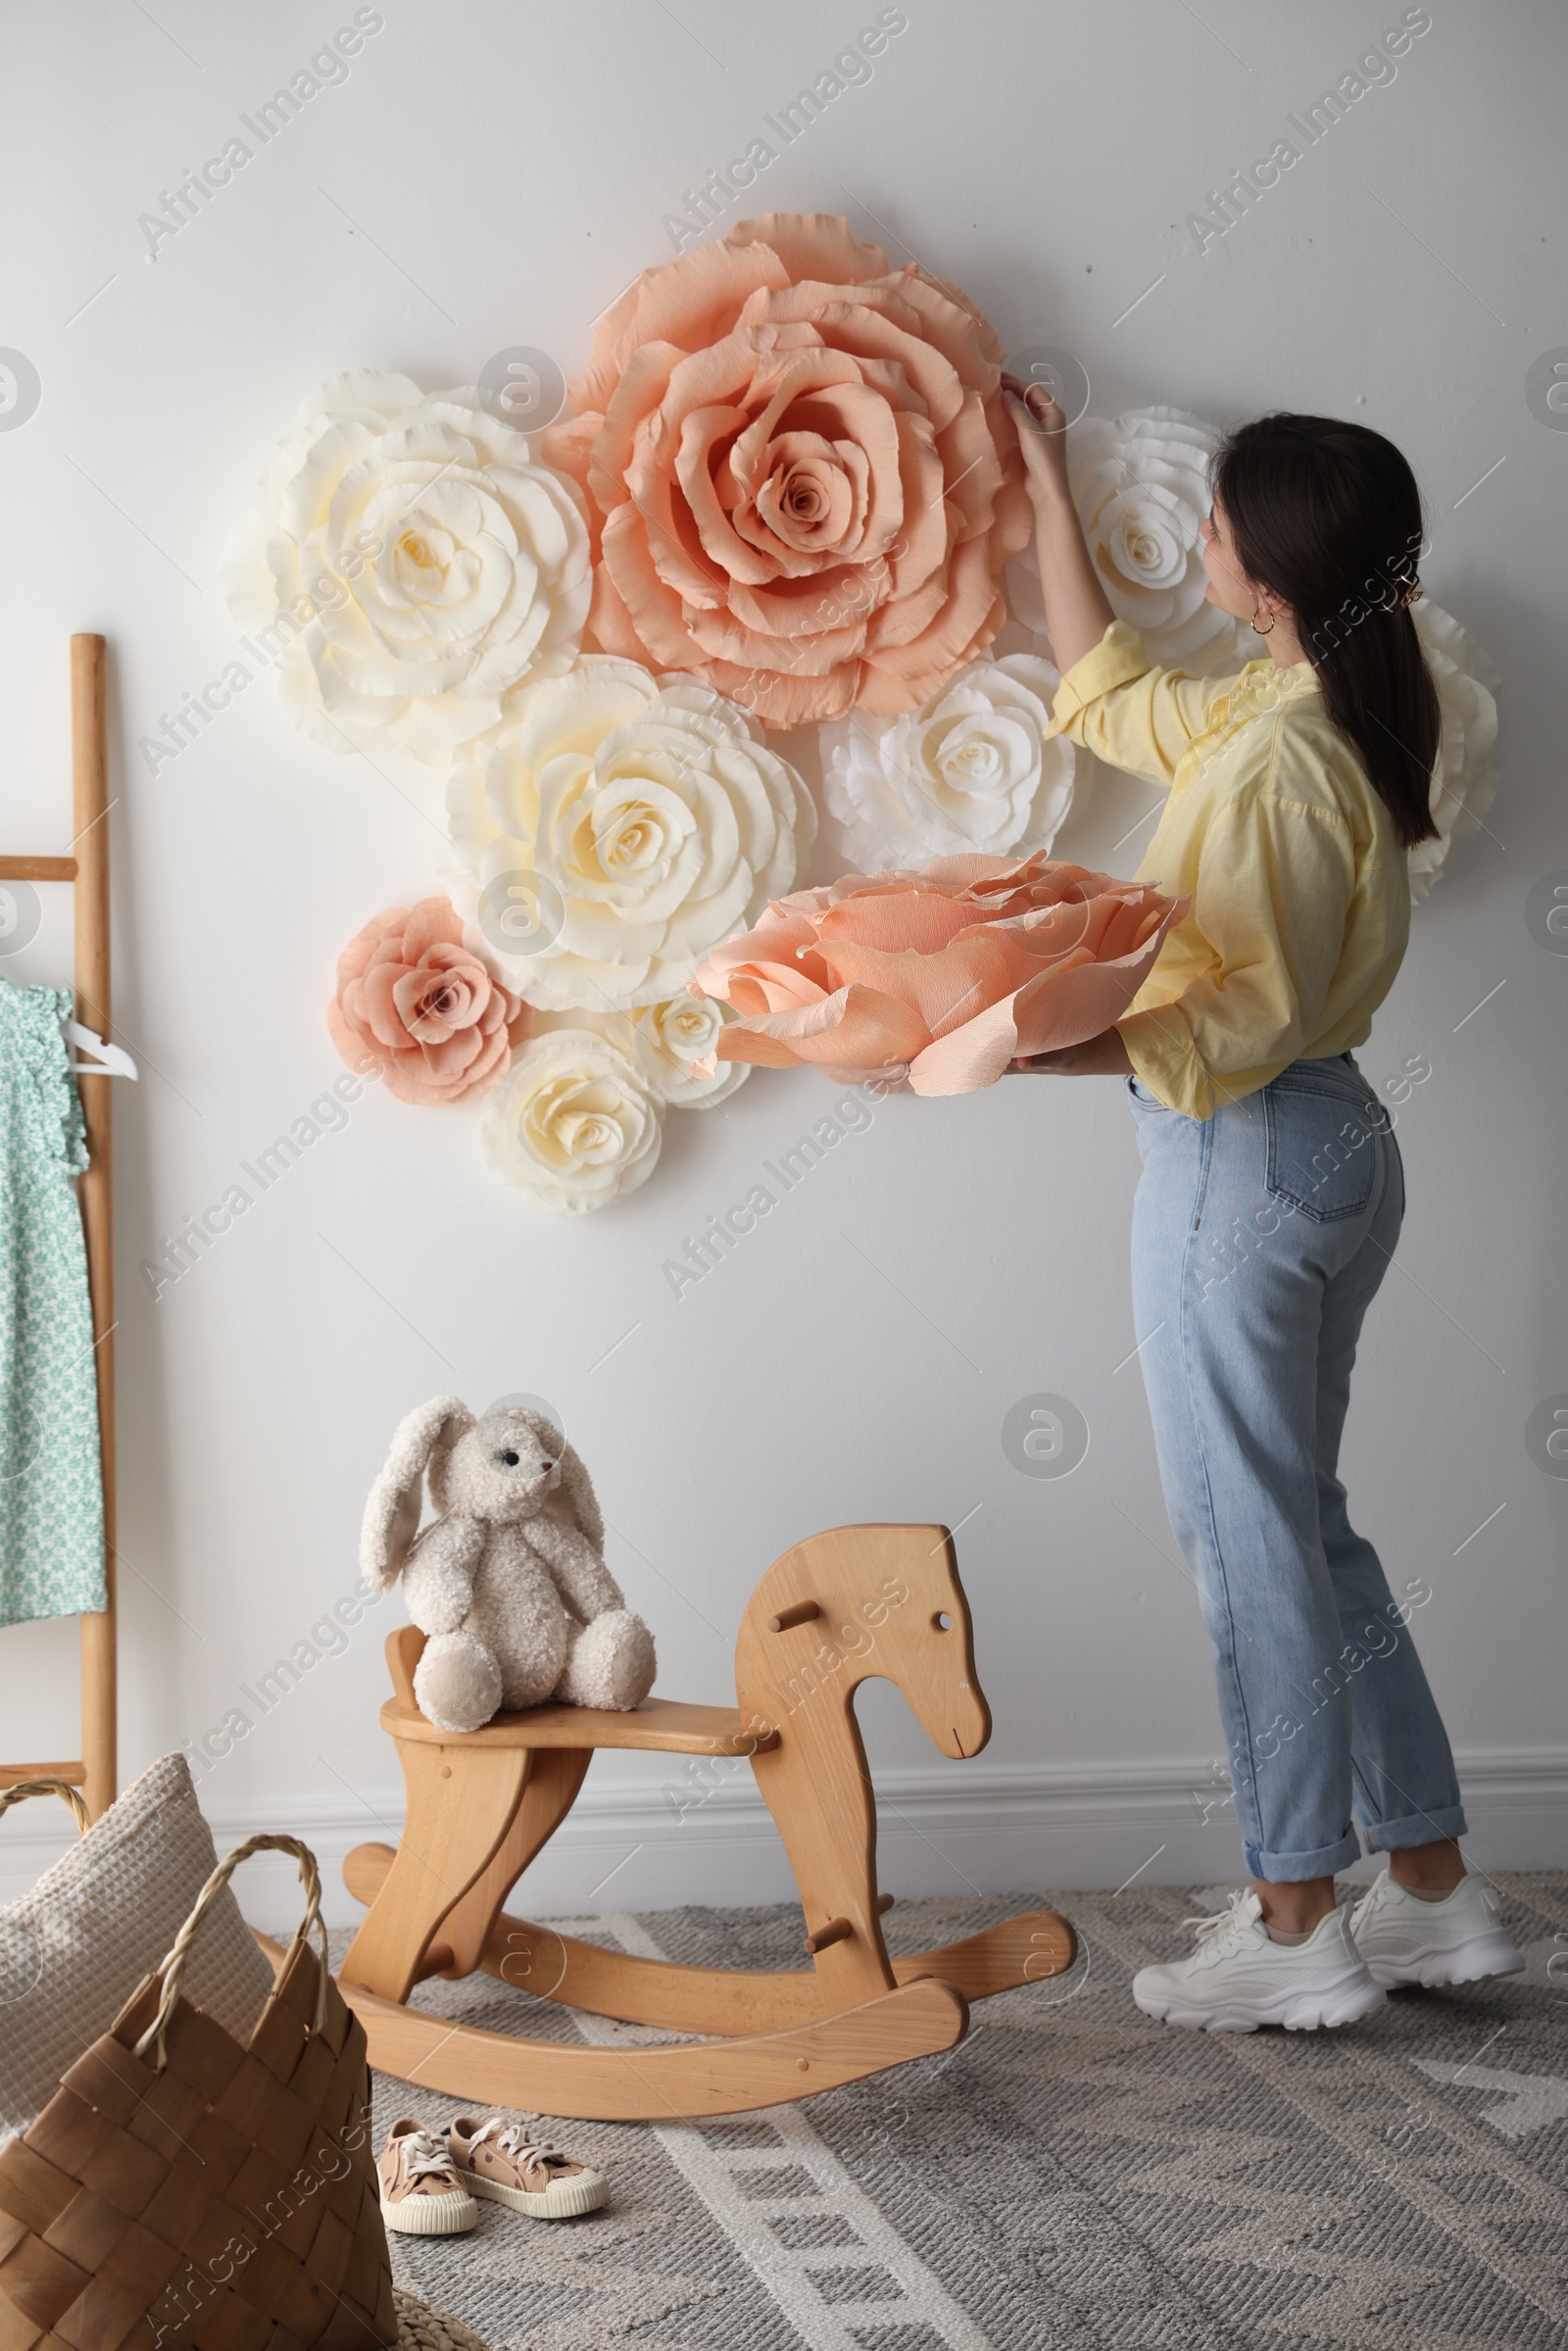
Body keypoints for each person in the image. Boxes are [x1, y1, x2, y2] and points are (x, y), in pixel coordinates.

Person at [1003, 379, 1524, 2031]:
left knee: (1248, 1546)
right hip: (1329, 1151)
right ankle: (1430, 1889)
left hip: (1242, 1151)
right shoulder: (1306, 713)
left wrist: (993, 1044)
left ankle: (1295, 1915)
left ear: (1270, 576)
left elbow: (1222, 1028)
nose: (1198, 544)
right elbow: (1110, 698)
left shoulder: (1278, 766)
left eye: (1215, 525)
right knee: (1301, 1525)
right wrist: (1038, 476)